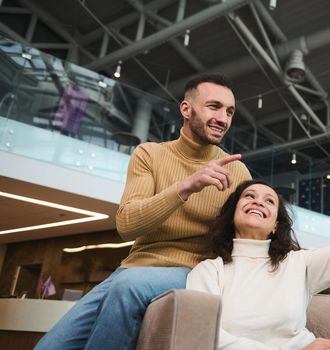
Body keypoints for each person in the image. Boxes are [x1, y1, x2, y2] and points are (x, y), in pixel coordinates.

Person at [35, 73, 252, 350]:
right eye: (214, 107)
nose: (223, 119)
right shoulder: (149, 154)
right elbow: (127, 224)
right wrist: (185, 187)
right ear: (186, 109)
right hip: (131, 269)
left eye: (229, 111)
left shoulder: (236, 170)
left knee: (129, 285)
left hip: (193, 270)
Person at [186, 120, 330, 350]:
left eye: (269, 201)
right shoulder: (209, 271)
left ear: (275, 225)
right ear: (232, 215)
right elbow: (203, 335)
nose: (258, 201)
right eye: (249, 196)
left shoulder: (299, 264)